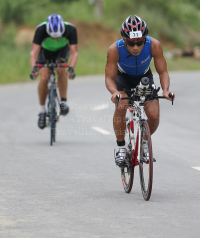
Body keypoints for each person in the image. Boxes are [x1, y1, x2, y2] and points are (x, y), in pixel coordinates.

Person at [105, 15, 175, 167]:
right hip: (123, 79)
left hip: (144, 78)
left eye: (140, 42)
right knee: (121, 105)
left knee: (154, 115)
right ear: (125, 40)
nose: (136, 47)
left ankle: (144, 141)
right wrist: (115, 92)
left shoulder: (154, 45)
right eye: (131, 43)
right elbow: (109, 78)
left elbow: (163, 72)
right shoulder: (114, 49)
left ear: (145, 38)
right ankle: (121, 148)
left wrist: (165, 90)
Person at [30, 14, 78, 129]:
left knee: (61, 69)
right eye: (53, 37)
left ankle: (63, 102)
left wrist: (71, 67)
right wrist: (34, 69)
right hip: (44, 51)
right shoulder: (40, 29)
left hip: (61, 50)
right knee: (44, 77)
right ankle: (42, 111)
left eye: (58, 36)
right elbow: (34, 53)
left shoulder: (71, 29)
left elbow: (74, 52)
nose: (56, 38)